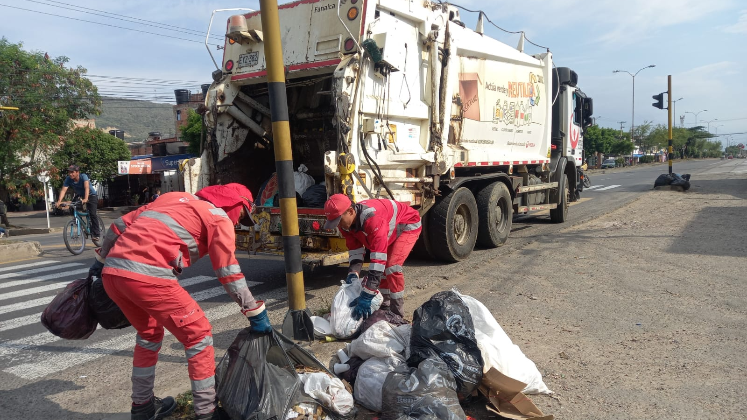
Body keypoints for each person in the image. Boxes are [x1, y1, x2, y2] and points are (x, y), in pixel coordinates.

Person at [88, 183, 267, 420]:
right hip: (148, 275)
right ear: (236, 204)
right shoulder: (218, 218)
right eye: (242, 215)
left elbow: (119, 225)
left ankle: (142, 408)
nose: (237, 222)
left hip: (113, 274)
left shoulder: (174, 197)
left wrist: (101, 261)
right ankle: (207, 413)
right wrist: (253, 310)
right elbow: (228, 271)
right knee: (199, 335)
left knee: (148, 335)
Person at [323, 194, 421, 320]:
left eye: (339, 220)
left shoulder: (372, 219)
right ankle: (384, 308)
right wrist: (353, 273)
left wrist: (367, 295)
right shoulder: (345, 225)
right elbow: (355, 251)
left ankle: (397, 314)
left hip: (407, 224)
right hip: (388, 229)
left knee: (392, 267)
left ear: (351, 211)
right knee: (384, 267)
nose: (339, 225)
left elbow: (378, 260)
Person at [56, 165, 100, 241]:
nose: (70, 174)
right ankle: (82, 227)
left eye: (72, 172)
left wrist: (86, 199)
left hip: (91, 195)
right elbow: (63, 190)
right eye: (69, 172)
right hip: (80, 195)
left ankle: (96, 234)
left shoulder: (83, 176)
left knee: (92, 214)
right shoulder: (68, 179)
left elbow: (86, 187)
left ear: (77, 172)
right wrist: (59, 201)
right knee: (72, 208)